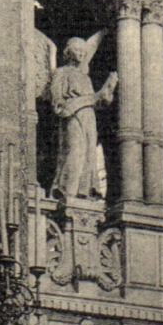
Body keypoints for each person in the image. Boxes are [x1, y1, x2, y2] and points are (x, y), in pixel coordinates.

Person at [49, 31, 117, 201]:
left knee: (89, 153)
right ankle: (67, 191)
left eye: (82, 51)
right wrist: (88, 99)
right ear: (69, 52)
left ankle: (83, 192)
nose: (80, 54)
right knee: (75, 150)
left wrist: (107, 91)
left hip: (89, 117)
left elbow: (97, 101)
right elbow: (57, 102)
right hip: (73, 115)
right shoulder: (61, 72)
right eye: (77, 50)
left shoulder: (85, 77)